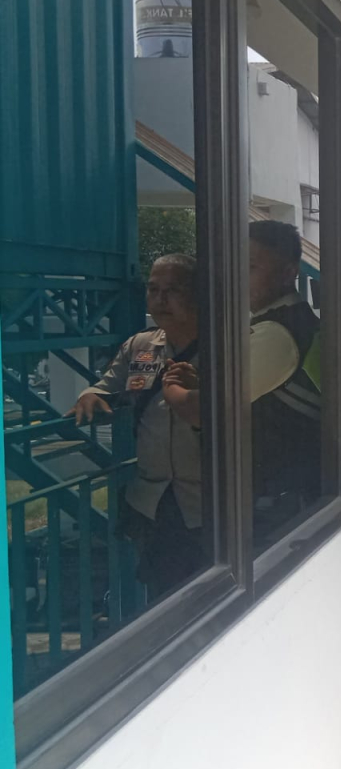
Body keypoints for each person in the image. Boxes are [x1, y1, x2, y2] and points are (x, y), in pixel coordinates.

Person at [163, 220, 321, 543]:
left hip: (275, 505)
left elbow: (204, 411)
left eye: (250, 268)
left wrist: (173, 389)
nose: (239, 279)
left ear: (288, 272)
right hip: (291, 494)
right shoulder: (298, 322)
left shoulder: (277, 334)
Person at [69, 254, 205, 598]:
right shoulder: (141, 346)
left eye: (173, 290)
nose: (160, 300)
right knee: (163, 595)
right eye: (153, 290)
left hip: (211, 501)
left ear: (198, 293)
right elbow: (108, 384)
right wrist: (90, 395)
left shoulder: (228, 345)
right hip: (153, 502)